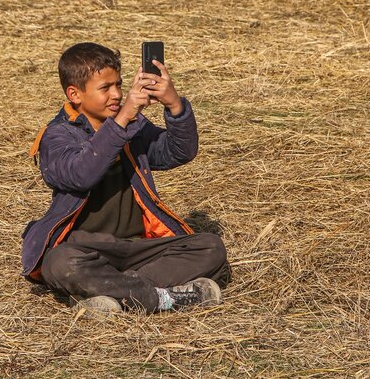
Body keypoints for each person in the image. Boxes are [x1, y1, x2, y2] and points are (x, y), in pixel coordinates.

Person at [21, 43, 229, 314]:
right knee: (60, 263)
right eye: (105, 88)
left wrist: (174, 105)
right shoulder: (57, 136)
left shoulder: (134, 127)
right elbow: (81, 174)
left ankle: (110, 292)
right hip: (85, 249)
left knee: (210, 247)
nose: (117, 94)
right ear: (75, 94)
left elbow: (179, 152)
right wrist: (122, 120)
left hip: (137, 247)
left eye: (119, 84)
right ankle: (163, 298)